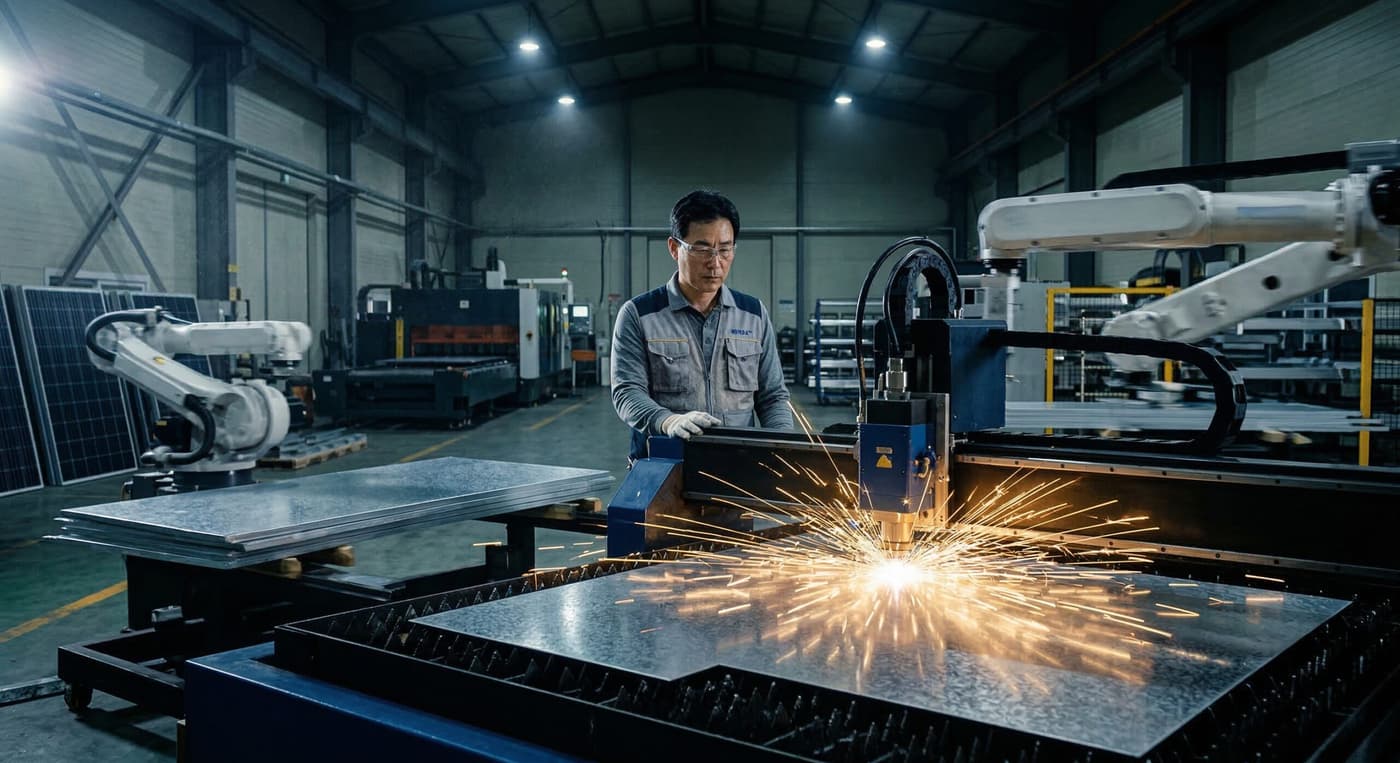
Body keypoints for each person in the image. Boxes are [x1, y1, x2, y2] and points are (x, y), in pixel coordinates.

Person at [612, 190, 793, 462]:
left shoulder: (753, 314)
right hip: (665, 468)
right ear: (674, 248)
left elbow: (773, 396)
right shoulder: (639, 315)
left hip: (738, 471)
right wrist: (667, 421)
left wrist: (782, 448)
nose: (715, 262)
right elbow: (627, 392)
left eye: (724, 249)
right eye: (702, 249)